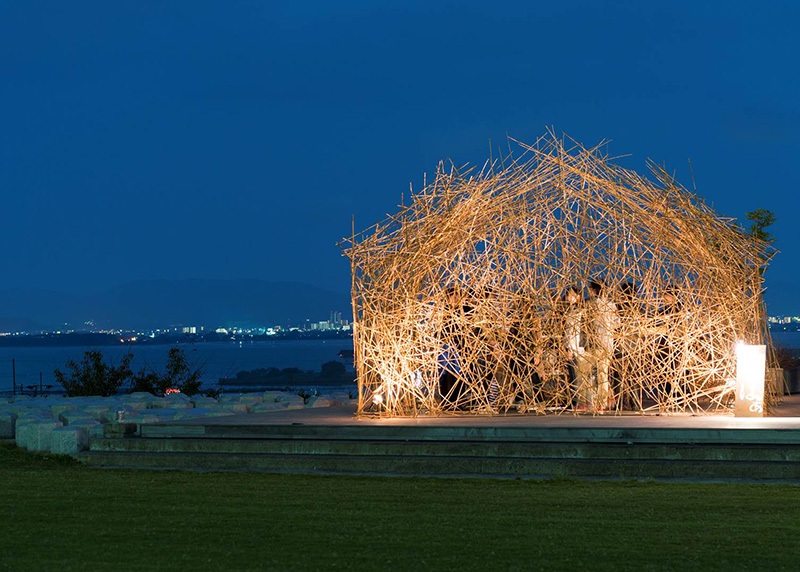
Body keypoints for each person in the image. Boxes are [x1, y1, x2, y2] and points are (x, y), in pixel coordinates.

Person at [586, 280, 618, 412]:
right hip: (607, 344)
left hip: (595, 343)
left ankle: (595, 402)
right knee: (602, 374)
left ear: (593, 290)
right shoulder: (611, 305)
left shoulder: (590, 305)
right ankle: (602, 402)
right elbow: (617, 324)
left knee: (592, 374)